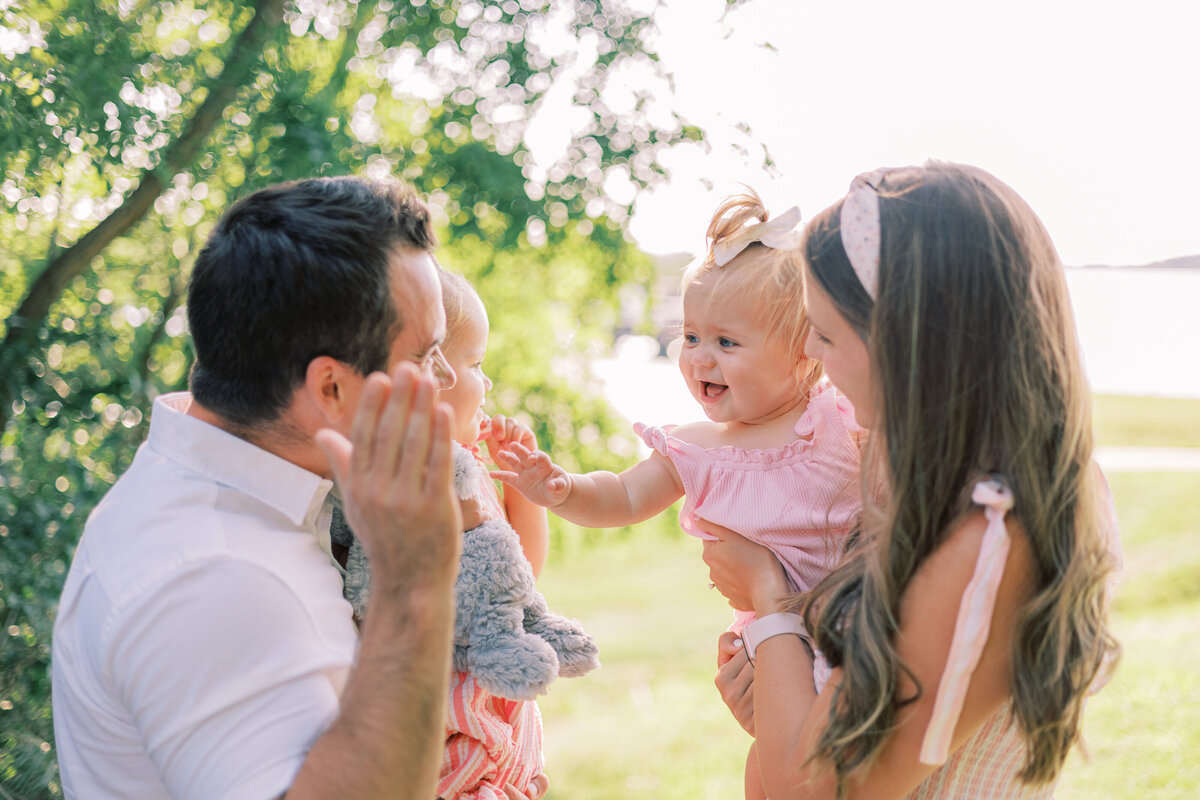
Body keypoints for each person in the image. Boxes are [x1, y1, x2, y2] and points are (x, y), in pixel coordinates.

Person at [703, 162, 1122, 799]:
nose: (811, 357)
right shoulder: (920, 482)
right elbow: (817, 753)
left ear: (905, 343)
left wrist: (769, 601)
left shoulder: (990, 537)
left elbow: (815, 792)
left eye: (825, 334)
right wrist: (781, 709)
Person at [52, 176, 472, 799]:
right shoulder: (215, 575)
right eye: (425, 358)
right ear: (331, 389)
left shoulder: (214, 494)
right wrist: (415, 585)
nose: (442, 381)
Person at [492, 190, 863, 795]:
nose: (700, 359)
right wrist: (560, 488)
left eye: (726, 342)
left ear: (806, 349)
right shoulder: (697, 448)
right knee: (768, 774)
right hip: (777, 657)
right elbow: (620, 497)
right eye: (689, 337)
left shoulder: (835, 419)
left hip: (854, 634)